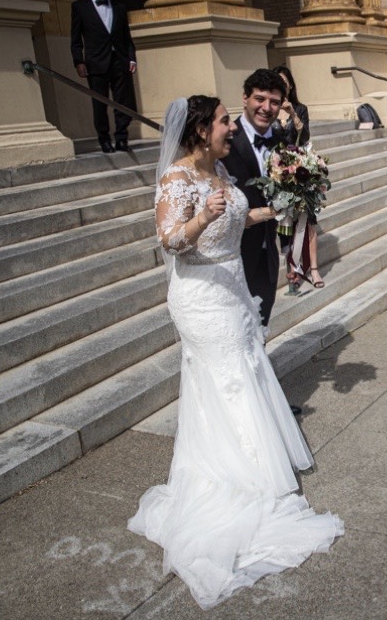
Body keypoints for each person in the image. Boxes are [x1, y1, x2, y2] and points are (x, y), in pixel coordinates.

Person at [128, 95, 343, 609]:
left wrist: (275, 207)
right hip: (201, 298)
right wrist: (201, 217)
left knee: (243, 371)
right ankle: (237, 476)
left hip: (233, 287)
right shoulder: (177, 181)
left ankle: (251, 461)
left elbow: (236, 220)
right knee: (225, 378)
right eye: (225, 121)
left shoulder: (220, 169)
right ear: (202, 130)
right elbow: (169, 241)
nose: (232, 128)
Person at [221, 69, 284, 328]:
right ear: (245, 98)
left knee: (261, 325)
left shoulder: (283, 140)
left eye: (274, 102)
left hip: (268, 252)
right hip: (232, 254)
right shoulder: (224, 140)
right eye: (260, 99)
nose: (266, 108)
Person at [70, 0, 138, 153]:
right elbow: (76, 40)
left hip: (120, 61)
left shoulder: (120, 8)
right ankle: (104, 140)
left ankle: (122, 139)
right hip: (95, 63)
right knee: (99, 104)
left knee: (122, 102)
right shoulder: (79, 7)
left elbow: (126, 38)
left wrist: (132, 59)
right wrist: (79, 62)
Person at [273, 65, 324, 292]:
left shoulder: (300, 109)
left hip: (300, 167)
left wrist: (292, 113)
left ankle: (313, 268)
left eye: (284, 83)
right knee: (284, 221)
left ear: (290, 85)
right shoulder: (269, 109)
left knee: (307, 218)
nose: (281, 87)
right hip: (277, 171)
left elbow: (306, 135)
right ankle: (291, 268)